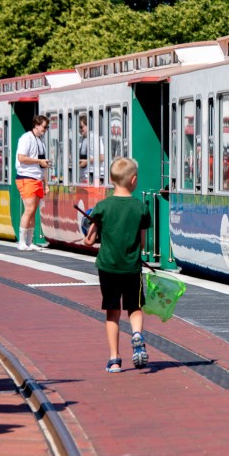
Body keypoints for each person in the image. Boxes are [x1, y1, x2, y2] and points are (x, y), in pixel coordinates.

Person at [82, 157, 151, 372]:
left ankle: (114, 360)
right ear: (134, 180)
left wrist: (94, 229)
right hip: (132, 267)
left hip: (108, 268)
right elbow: (142, 244)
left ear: (111, 179)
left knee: (112, 312)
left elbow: (89, 241)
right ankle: (137, 335)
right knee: (135, 307)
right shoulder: (141, 208)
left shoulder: (102, 207)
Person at [16, 115, 50, 250]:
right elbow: (21, 157)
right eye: (44, 127)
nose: (45, 130)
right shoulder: (26, 138)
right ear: (36, 125)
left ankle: (29, 242)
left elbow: (43, 165)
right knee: (29, 209)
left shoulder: (41, 142)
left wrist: (46, 184)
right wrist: (38, 161)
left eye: (47, 127)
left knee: (33, 211)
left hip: (37, 178)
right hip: (26, 177)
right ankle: (21, 242)